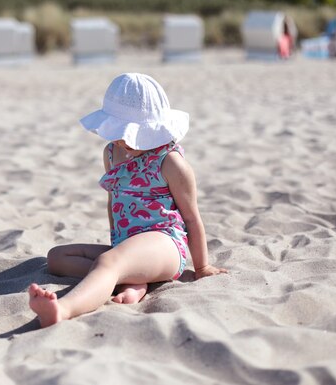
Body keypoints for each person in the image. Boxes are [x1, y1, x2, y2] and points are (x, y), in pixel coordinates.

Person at [28, 72, 227, 328]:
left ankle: (62, 309)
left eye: (132, 134)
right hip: (127, 243)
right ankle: (131, 279)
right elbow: (113, 201)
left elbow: (191, 217)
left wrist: (202, 267)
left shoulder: (171, 163)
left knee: (108, 262)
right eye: (119, 132)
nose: (122, 140)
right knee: (56, 257)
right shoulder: (112, 153)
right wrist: (117, 243)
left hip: (165, 243)